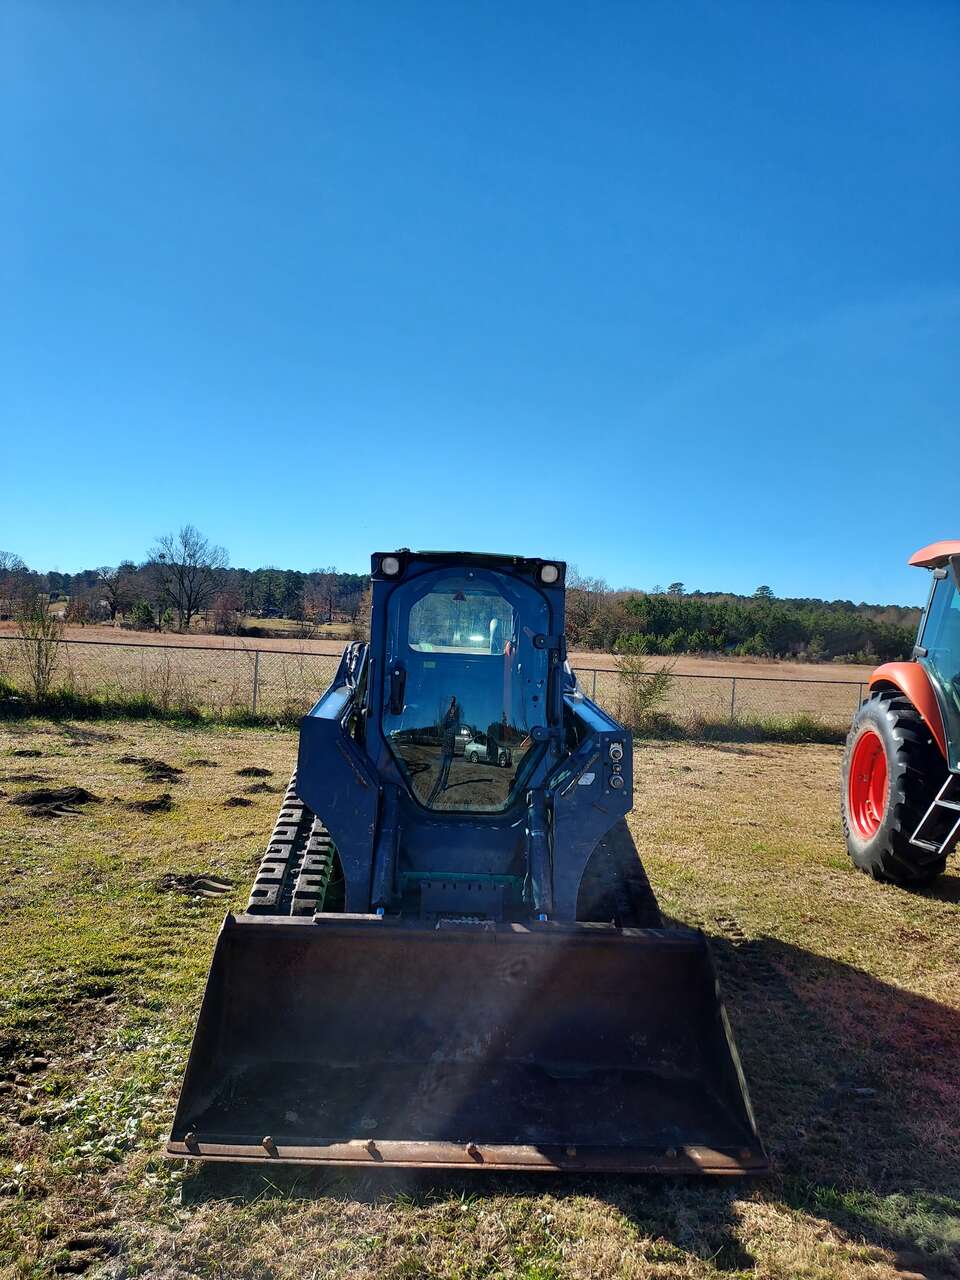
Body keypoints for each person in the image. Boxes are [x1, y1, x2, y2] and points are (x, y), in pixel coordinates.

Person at [427, 695, 461, 806]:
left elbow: (456, 717)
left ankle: (443, 786)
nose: (451, 714)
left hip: (450, 751)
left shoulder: (455, 724)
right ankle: (438, 785)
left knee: (447, 770)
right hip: (444, 751)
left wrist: (454, 708)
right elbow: (444, 720)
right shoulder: (446, 725)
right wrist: (451, 706)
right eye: (451, 713)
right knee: (441, 770)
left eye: (453, 713)